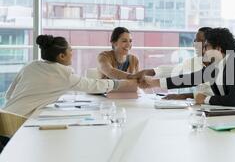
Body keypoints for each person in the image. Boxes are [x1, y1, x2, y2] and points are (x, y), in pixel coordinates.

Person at [139, 28, 235, 115]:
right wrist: (155, 82)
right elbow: (190, 78)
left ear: (219, 48)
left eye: (207, 47)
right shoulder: (220, 62)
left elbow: (234, 100)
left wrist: (205, 98)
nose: (203, 51)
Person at [2, 35, 136, 118]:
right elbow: (94, 85)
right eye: (70, 50)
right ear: (61, 56)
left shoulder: (31, 65)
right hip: (17, 126)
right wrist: (121, 83)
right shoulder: (63, 74)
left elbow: (8, 95)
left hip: (4, 118)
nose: (73, 52)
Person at [132, 27, 214, 100]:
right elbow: (174, 70)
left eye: (201, 41)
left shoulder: (218, 64)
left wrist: (183, 96)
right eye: (195, 41)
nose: (196, 45)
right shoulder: (195, 61)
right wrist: (147, 72)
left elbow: (208, 93)